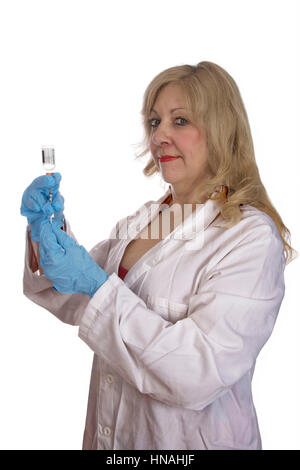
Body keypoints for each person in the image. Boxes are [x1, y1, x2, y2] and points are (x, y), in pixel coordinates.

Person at [21, 61, 296, 451]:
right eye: (154, 122)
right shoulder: (140, 221)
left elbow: (197, 372)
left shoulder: (249, 238)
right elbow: (72, 296)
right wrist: (46, 231)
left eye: (180, 120)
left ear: (221, 128)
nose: (160, 136)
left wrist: (98, 286)